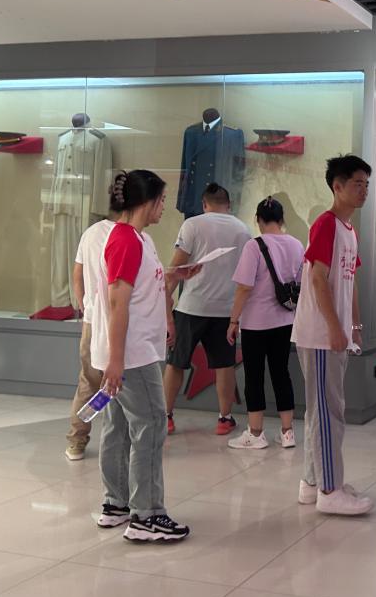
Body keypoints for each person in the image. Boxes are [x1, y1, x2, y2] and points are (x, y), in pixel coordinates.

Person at [92, 170, 198, 541]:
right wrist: (116, 361)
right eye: (162, 200)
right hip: (132, 355)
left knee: (120, 428)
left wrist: (178, 274)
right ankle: (147, 514)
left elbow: (145, 285)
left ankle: (117, 504)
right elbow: (117, 302)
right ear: (147, 201)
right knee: (151, 425)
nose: (164, 207)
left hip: (133, 350)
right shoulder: (125, 240)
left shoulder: (141, 239)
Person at [293, 154, 374, 515]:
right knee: (328, 413)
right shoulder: (325, 224)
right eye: (357, 183)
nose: (363, 190)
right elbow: (316, 278)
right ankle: (329, 489)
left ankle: (313, 482)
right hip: (320, 335)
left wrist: (354, 325)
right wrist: (334, 328)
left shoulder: (349, 230)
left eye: (366, 184)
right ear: (337, 186)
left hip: (334, 334)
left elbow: (349, 281)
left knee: (322, 410)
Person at [163, 183, 251, 435]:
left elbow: (176, 268)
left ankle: (166, 417)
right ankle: (224, 418)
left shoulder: (192, 225)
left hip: (191, 306)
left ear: (204, 204)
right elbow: (246, 274)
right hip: (225, 310)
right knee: (224, 365)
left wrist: (164, 300)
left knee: (176, 363)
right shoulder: (243, 229)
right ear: (229, 205)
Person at [225, 197, 305, 450]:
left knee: (254, 376)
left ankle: (256, 432)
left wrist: (233, 320)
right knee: (282, 373)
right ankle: (287, 432)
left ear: (258, 220)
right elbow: (300, 283)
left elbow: (244, 287)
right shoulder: (296, 244)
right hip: (285, 321)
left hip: (255, 323)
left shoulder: (254, 246)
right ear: (282, 219)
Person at [65, 213, 118, 461]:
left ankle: (76, 441)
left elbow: (77, 274)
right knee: (125, 385)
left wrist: (86, 306)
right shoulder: (132, 236)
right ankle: (122, 442)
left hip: (92, 320)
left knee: (88, 382)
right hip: (119, 322)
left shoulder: (90, 233)